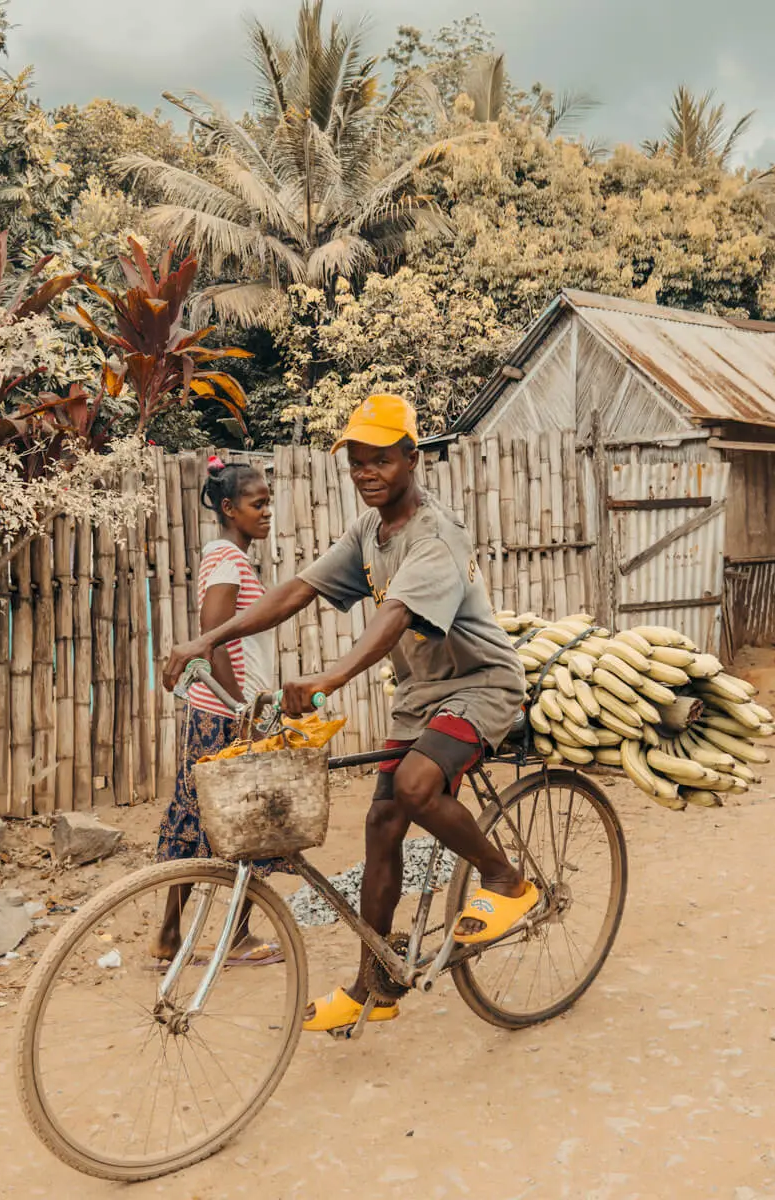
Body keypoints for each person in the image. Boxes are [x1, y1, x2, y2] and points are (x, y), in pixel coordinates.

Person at [164, 395, 537, 1030]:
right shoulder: (370, 533)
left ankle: (506, 879)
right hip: (421, 697)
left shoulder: (436, 535)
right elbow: (298, 590)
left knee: (418, 786)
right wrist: (205, 640)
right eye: (357, 463)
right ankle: (376, 985)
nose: (367, 473)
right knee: (382, 826)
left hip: (481, 686)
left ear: (412, 459)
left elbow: (393, 619)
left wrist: (330, 677)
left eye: (381, 460)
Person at [154, 456, 292, 964]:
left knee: (195, 817)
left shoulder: (228, 557)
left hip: (215, 711)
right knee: (245, 821)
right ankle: (235, 936)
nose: (267, 511)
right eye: (258, 504)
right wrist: (241, 710)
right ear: (230, 508)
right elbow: (212, 641)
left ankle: (170, 936)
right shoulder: (228, 559)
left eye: (268, 502)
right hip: (225, 714)